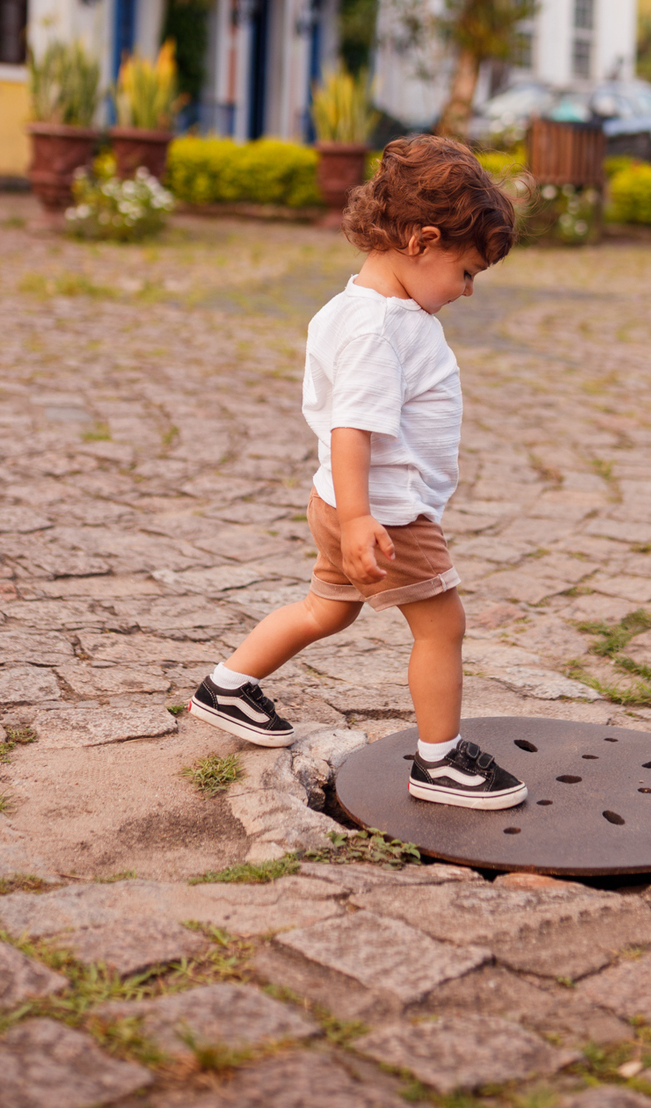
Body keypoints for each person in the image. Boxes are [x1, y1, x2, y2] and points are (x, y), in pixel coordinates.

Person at [189, 135, 528, 809]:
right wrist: (360, 520)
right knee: (443, 625)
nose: (465, 290)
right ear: (421, 241)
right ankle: (439, 763)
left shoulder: (357, 309)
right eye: (466, 272)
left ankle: (227, 685)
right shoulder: (378, 330)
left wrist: (345, 515)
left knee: (325, 610)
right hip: (385, 514)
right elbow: (353, 430)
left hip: (346, 505)